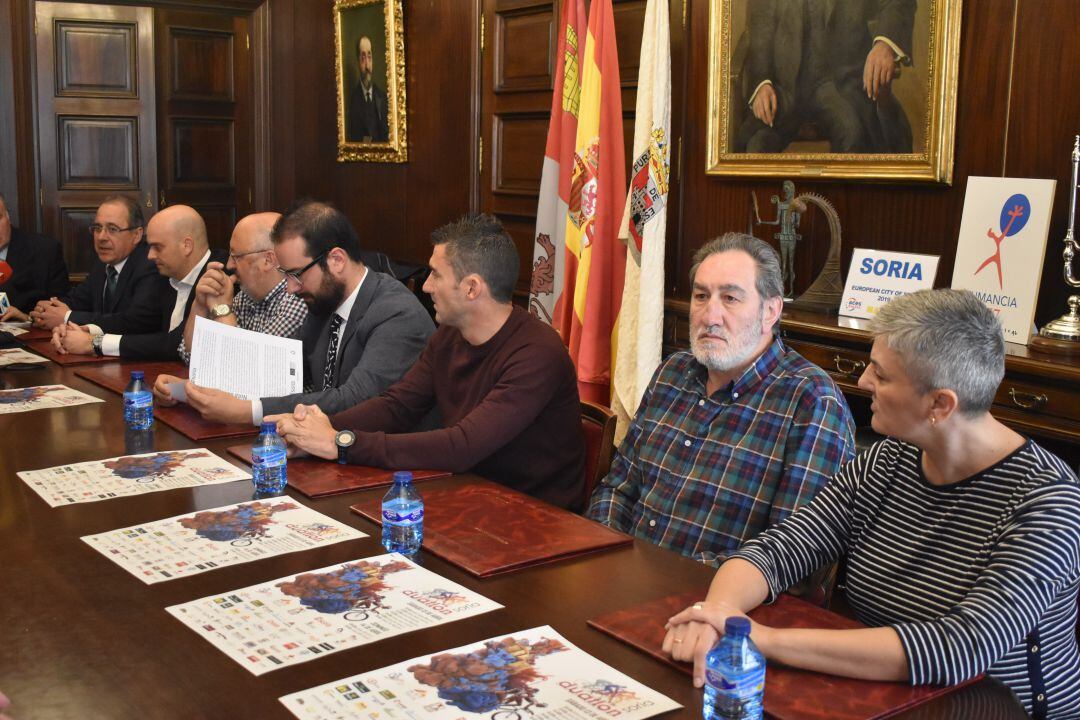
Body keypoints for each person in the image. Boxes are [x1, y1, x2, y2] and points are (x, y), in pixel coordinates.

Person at [663, 289, 1080, 720]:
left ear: (940, 404)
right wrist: (718, 615)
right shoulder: (887, 460)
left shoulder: (1048, 501)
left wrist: (761, 638)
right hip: (879, 696)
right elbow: (781, 548)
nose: (862, 382)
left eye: (881, 375)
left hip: (994, 709)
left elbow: (961, 648)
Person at [268, 213, 586, 510]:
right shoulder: (449, 335)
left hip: (531, 517)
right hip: (465, 495)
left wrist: (341, 443)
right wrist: (315, 430)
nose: (425, 286)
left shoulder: (537, 353)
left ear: (472, 287)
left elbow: (462, 446)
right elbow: (398, 406)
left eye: (435, 274)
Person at [587, 233, 854, 565]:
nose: (709, 316)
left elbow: (791, 555)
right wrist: (605, 553)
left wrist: (665, 581)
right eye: (701, 296)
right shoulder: (673, 373)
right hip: (620, 573)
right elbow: (616, 489)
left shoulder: (813, 402)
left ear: (771, 311)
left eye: (730, 298)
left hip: (713, 600)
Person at [158, 200, 432, 426]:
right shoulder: (324, 303)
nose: (289, 288)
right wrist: (192, 391)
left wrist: (247, 411)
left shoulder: (396, 313)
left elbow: (355, 400)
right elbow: (277, 374)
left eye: (295, 275)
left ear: (336, 260)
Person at [735, 0, 915, 153]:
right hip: (783, 86)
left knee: (854, 134)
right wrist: (761, 83)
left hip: (841, 83)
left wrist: (885, 44)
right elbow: (760, 23)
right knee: (756, 145)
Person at [52, 204, 220, 359]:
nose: (150, 255)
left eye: (157, 247)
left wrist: (95, 343)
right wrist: (84, 330)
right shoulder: (167, 275)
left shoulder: (217, 278)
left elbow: (177, 343)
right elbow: (142, 324)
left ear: (186, 246)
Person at [171, 212, 307, 363]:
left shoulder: (297, 299)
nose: (229, 265)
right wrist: (200, 303)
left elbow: (248, 368)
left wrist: (222, 309)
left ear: (268, 260)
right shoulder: (245, 296)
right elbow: (190, 354)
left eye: (236, 257)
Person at [29, 196, 164, 334]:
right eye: (97, 228)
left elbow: (134, 321)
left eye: (112, 229)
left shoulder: (150, 265)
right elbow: (77, 300)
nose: (101, 237)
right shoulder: (103, 263)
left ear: (136, 235)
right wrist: (47, 310)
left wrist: (66, 316)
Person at [0, 191, 69, 320]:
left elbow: (61, 310)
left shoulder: (45, 251)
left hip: (29, 336)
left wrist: (26, 318)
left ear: (8, 217)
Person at [347, 35, 390, 142]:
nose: (367, 65)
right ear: (357, 61)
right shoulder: (352, 102)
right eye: (363, 58)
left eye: (369, 57)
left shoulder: (383, 97)